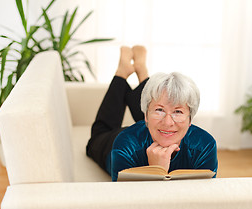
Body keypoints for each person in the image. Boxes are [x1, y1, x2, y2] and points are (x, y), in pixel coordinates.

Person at [86, 46, 218, 181]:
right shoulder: (125, 145)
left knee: (158, 108)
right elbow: (129, 199)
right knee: (97, 135)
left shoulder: (204, 146)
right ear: (145, 117)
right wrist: (156, 170)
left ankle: (142, 72)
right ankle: (122, 73)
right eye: (160, 110)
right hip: (117, 138)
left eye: (178, 112)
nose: (168, 122)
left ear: (190, 119)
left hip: (150, 131)